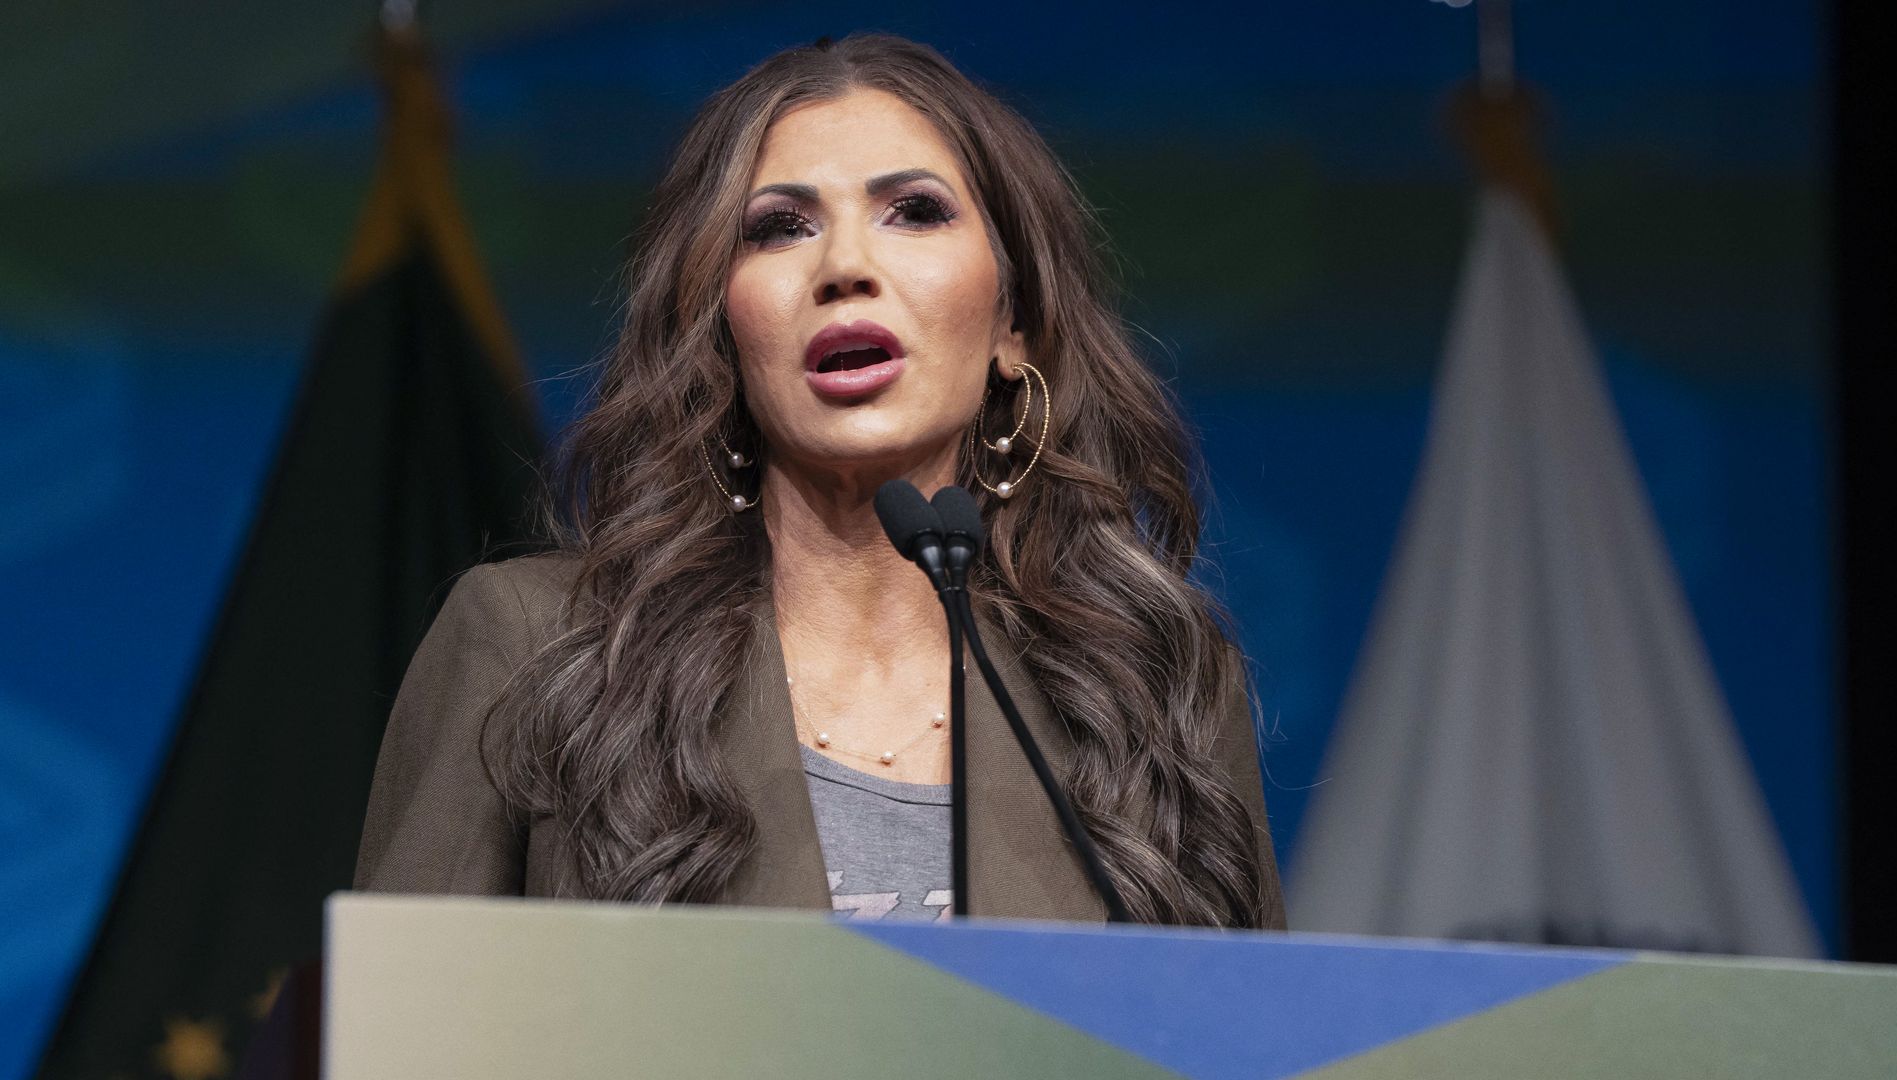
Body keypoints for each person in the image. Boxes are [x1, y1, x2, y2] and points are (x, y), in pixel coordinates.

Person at [354, 32, 1286, 929]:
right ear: (720, 328)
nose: (845, 267)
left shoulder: (1155, 677)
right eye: (780, 228)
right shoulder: (537, 648)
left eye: (914, 211)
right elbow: (389, 1031)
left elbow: (1259, 1035)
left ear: (1016, 326)